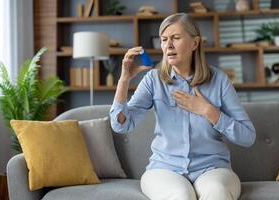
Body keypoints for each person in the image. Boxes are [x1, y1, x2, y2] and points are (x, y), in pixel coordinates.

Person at [109, 12, 256, 200]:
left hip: (212, 168)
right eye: (163, 39)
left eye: (175, 38)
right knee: (180, 195)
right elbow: (121, 124)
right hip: (164, 169)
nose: (168, 45)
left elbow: (248, 137)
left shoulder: (219, 80)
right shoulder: (154, 80)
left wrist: (208, 111)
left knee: (217, 193)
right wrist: (124, 80)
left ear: (195, 43)